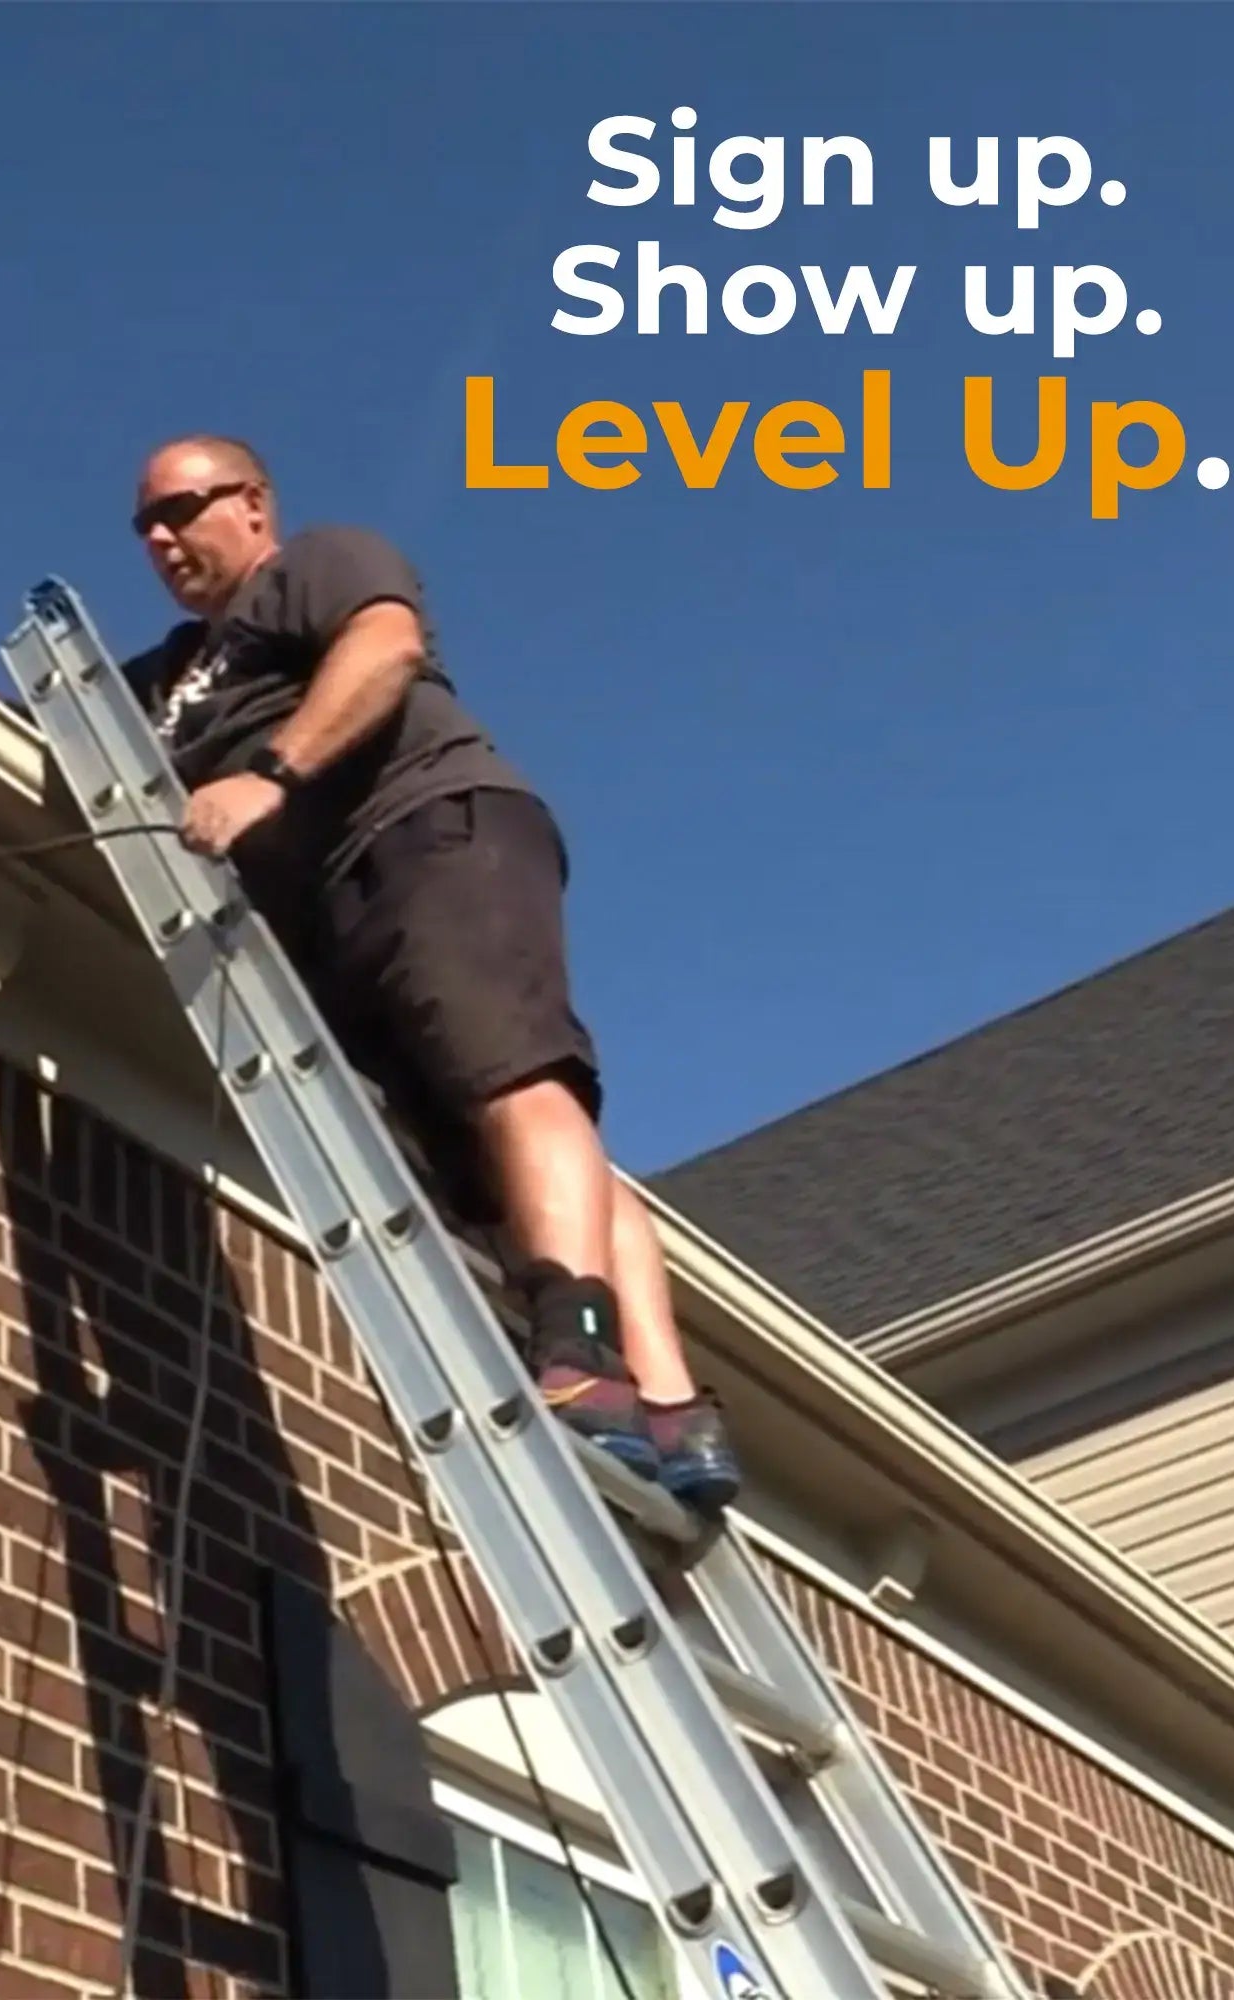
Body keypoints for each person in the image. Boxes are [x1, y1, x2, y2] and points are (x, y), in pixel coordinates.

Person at [120, 434, 739, 1513]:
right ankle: (674, 1410)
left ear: (253, 502)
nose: (164, 536)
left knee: (509, 1073)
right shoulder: (167, 676)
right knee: (482, 1141)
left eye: (184, 507)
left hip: (423, 829)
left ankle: (585, 1353)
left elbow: (385, 648)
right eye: (146, 525)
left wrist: (268, 774)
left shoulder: (312, 565)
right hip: (326, 924)